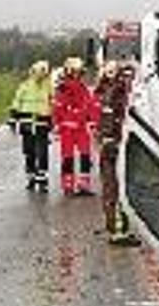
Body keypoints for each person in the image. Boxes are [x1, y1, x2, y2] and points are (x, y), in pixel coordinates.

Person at [94, 60, 140, 246]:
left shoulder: (104, 90)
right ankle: (118, 231)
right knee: (115, 187)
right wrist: (110, 139)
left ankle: (115, 227)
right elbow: (109, 119)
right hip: (113, 145)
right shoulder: (115, 92)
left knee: (110, 186)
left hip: (109, 144)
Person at [53, 57, 99, 196]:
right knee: (68, 157)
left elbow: (90, 105)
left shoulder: (83, 88)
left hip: (81, 128)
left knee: (85, 155)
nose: (78, 74)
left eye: (79, 72)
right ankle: (68, 185)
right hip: (67, 128)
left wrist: (93, 121)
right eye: (75, 71)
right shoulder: (62, 88)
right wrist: (57, 124)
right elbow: (57, 108)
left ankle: (84, 184)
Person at [9, 60, 53, 192]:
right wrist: (13, 119)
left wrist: (55, 121)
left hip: (42, 123)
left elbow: (54, 104)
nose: (40, 74)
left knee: (43, 152)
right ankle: (31, 176)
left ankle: (43, 180)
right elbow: (17, 102)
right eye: (38, 71)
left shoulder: (49, 87)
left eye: (43, 72)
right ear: (32, 72)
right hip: (26, 123)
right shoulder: (25, 86)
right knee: (29, 152)